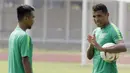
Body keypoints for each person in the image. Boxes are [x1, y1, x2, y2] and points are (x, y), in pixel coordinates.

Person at [87, 3, 127, 73]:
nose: (96, 19)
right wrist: (91, 45)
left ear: (107, 15)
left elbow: (123, 47)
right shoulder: (96, 31)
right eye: (94, 16)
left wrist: (102, 49)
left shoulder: (113, 30)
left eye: (99, 16)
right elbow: (89, 57)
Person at [8, 5, 35, 73]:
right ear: (26, 18)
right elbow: (25, 60)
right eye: (32, 18)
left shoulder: (12, 34)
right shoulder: (24, 36)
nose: (33, 21)